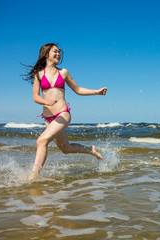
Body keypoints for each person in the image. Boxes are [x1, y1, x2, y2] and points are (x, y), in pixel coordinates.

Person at [23, 43, 107, 180]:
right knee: (66, 149)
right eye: (55, 52)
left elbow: (78, 89)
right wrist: (46, 102)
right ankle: (91, 150)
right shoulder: (38, 75)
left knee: (42, 140)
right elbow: (35, 97)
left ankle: (34, 176)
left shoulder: (63, 72)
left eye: (59, 52)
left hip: (63, 114)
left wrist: (96, 92)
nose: (58, 54)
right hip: (48, 118)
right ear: (46, 54)